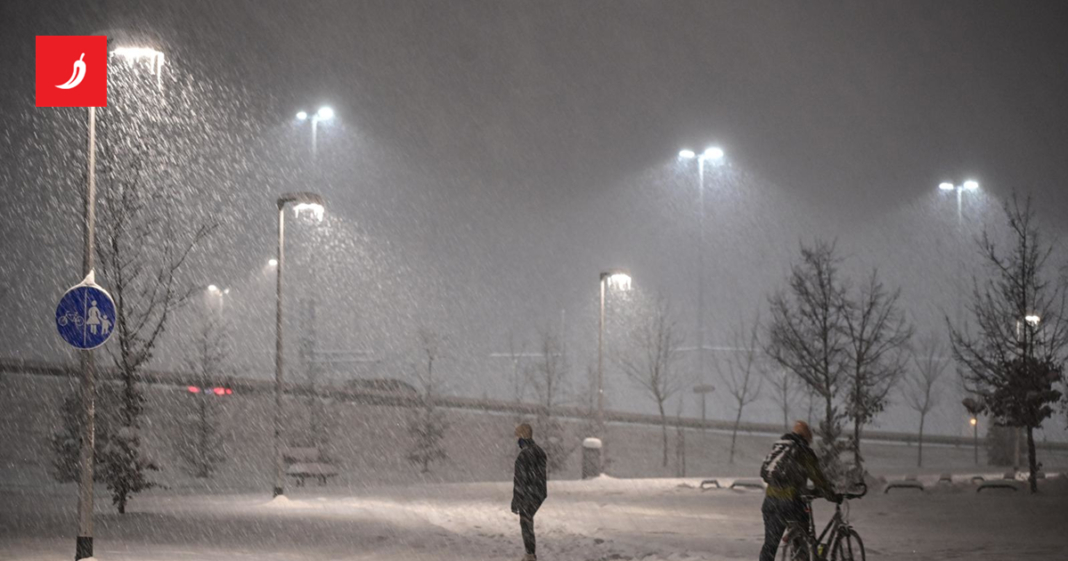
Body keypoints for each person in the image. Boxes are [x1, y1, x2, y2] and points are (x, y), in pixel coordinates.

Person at [758, 420, 838, 561]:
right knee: (802, 539)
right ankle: (801, 554)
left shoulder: (780, 447)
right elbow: (818, 478)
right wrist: (830, 494)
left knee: (770, 545)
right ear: (807, 437)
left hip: (770, 502)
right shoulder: (804, 451)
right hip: (791, 503)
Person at [511, 423, 547, 561]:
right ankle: (530, 554)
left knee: (525, 522)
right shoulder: (539, 451)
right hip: (539, 492)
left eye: (518, 437)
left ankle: (530, 554)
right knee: (528, 520)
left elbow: (520, 480)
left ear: (522, 436)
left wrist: (516, 501)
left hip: (528, 493)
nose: (517, 441)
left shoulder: (524, 455)